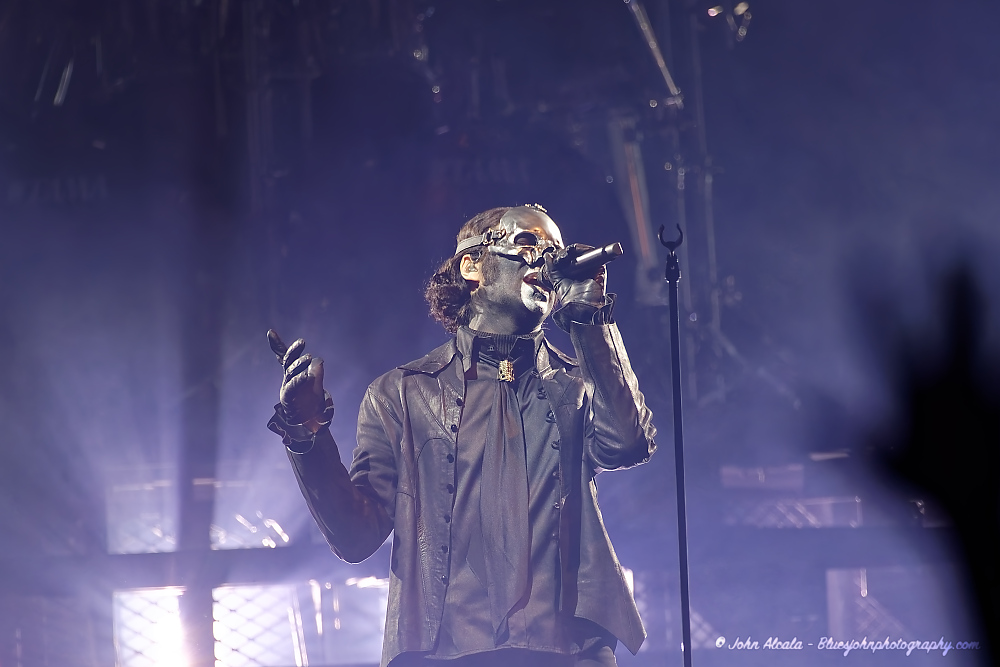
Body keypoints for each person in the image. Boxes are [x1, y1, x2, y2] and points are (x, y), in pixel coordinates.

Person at [266, 205, 657, 667]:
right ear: (471, 267)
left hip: (568, 649)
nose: (544, 262)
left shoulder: (578, 385)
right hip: (442, 650)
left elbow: (628, 443)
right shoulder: (401, 393)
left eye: (553, 252)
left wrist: (591, 319)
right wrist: (305, 435)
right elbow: (355, 537)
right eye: (528, 245)